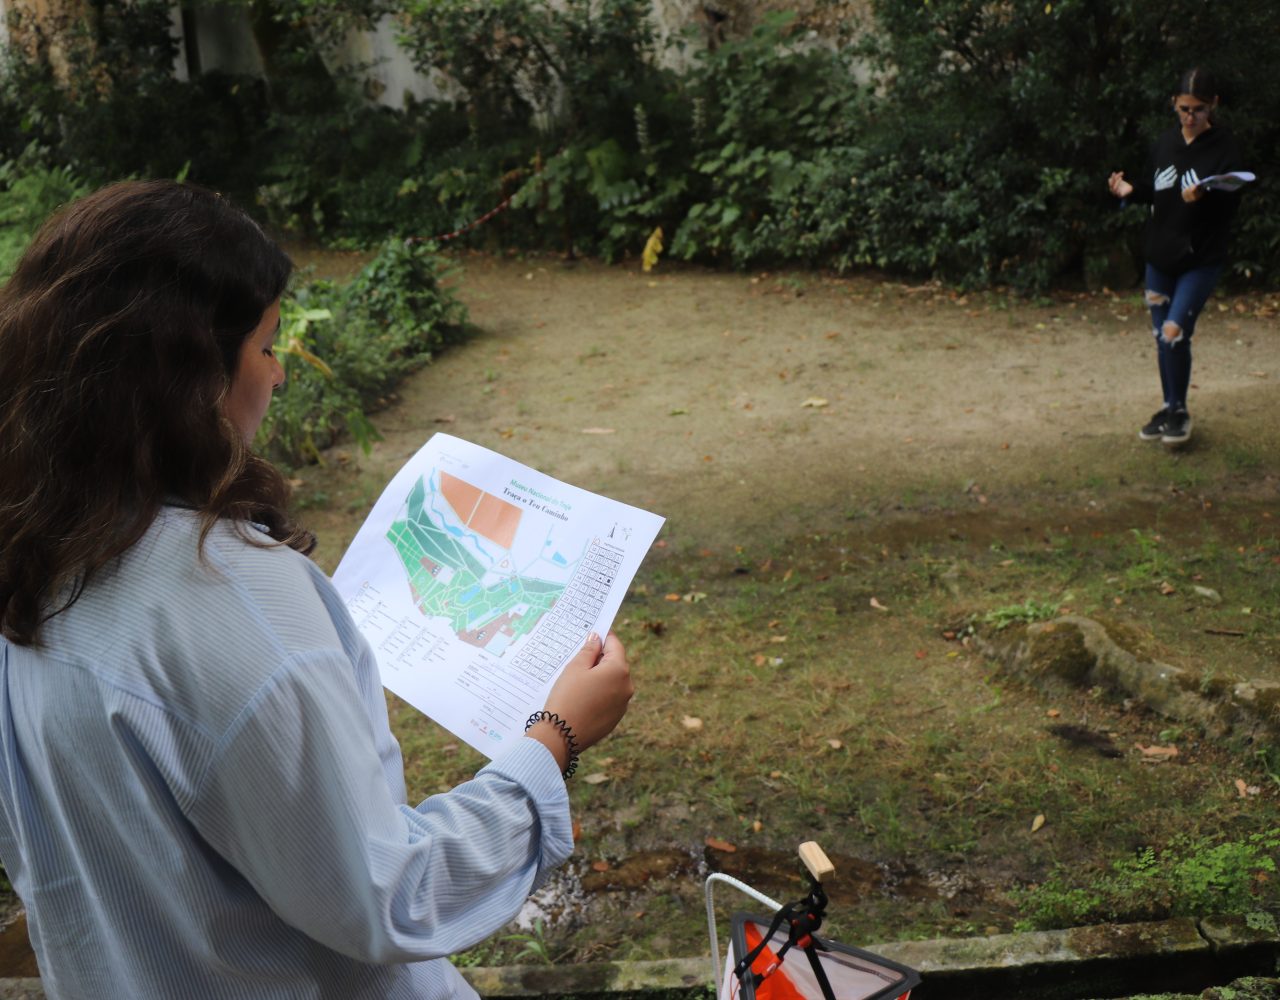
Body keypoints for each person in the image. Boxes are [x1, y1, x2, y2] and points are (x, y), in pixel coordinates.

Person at [0, 179, 634, 999]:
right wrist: (555, 738)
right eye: (266, 347)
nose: (279, 376)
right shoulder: (227, 598)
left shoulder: (30, 560)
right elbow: (389, 892)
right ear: (189, 377)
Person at [1107, 66, 1247, 447]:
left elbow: (1231, 205)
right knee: (1161, 337)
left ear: (1213, 105)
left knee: (1174, 332)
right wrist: (1129, 191)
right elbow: (1154, 189)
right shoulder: (1164, 143)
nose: (1190, 116)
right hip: (1160, 256)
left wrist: (1203, 198)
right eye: (1184, 108)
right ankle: (1170, 408)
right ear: (1173, 103)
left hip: (1200, 259)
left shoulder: (1225, 147)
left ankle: (1180, 413)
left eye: (1199, 109)